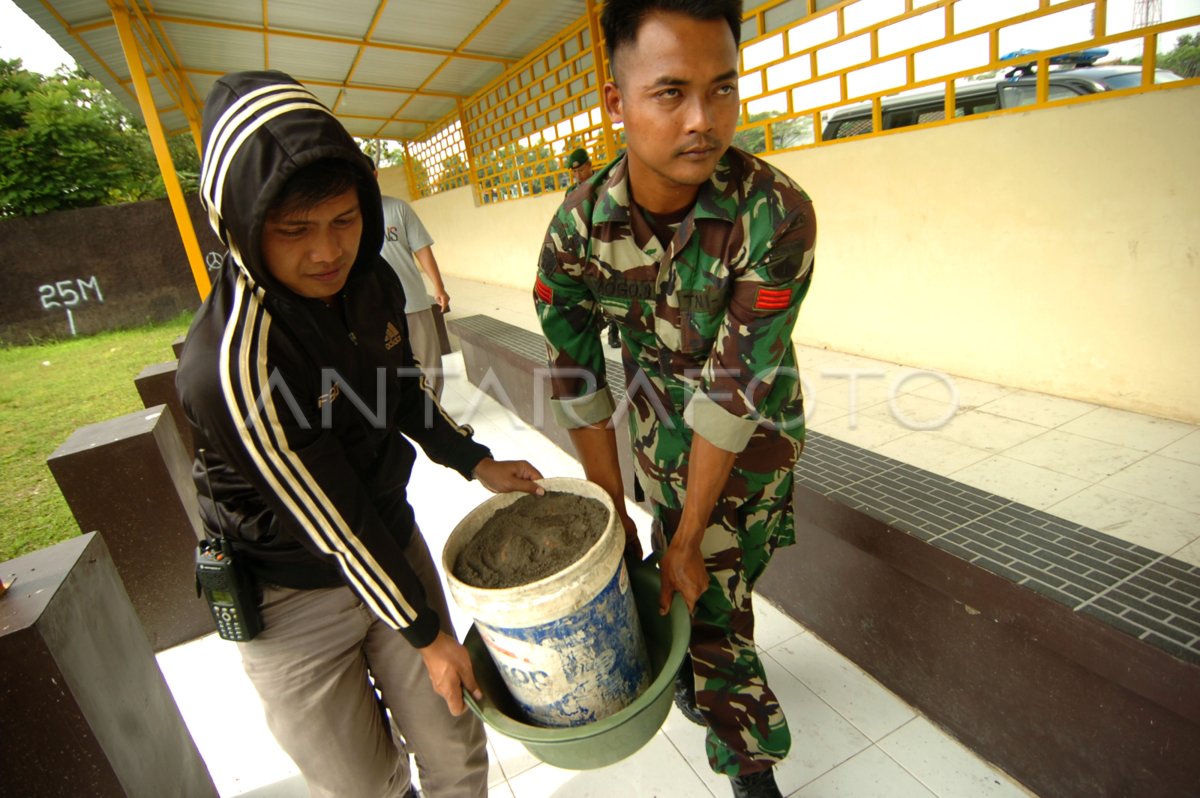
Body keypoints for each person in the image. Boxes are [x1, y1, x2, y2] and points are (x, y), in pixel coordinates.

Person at [177, 70, 544, 798]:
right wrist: (425, 632)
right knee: (362, 785)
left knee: (456, 749)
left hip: (389, 538)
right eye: (294, 231)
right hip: (291, 593)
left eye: (345, 220)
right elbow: (328, 516)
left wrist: (473, 460)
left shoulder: (370, 279)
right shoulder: (230, 364)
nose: (327, 252)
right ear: (239, 228)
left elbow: (399, 386)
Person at [532, 2, 816, 797]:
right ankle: (725, 714)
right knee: (705, 588)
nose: (703, 120)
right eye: (671, 93)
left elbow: (733, 392)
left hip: (752, 438)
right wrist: (609, 511)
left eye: (722, 90)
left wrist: (687, 533)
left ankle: (724, 712)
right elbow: (580, 379)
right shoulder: (579, 230)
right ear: (616, 102)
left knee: (713, 573)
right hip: (661, 435)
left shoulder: (775, 214)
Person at [379, 189, 451, 398]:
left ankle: (434, 410)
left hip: (411, 300)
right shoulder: (347, 214)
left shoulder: (398, 208)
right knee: (390, 367)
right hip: (375, 308)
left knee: (429, 362)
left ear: (374, 174)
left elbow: (421, 249)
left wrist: (438, 286)